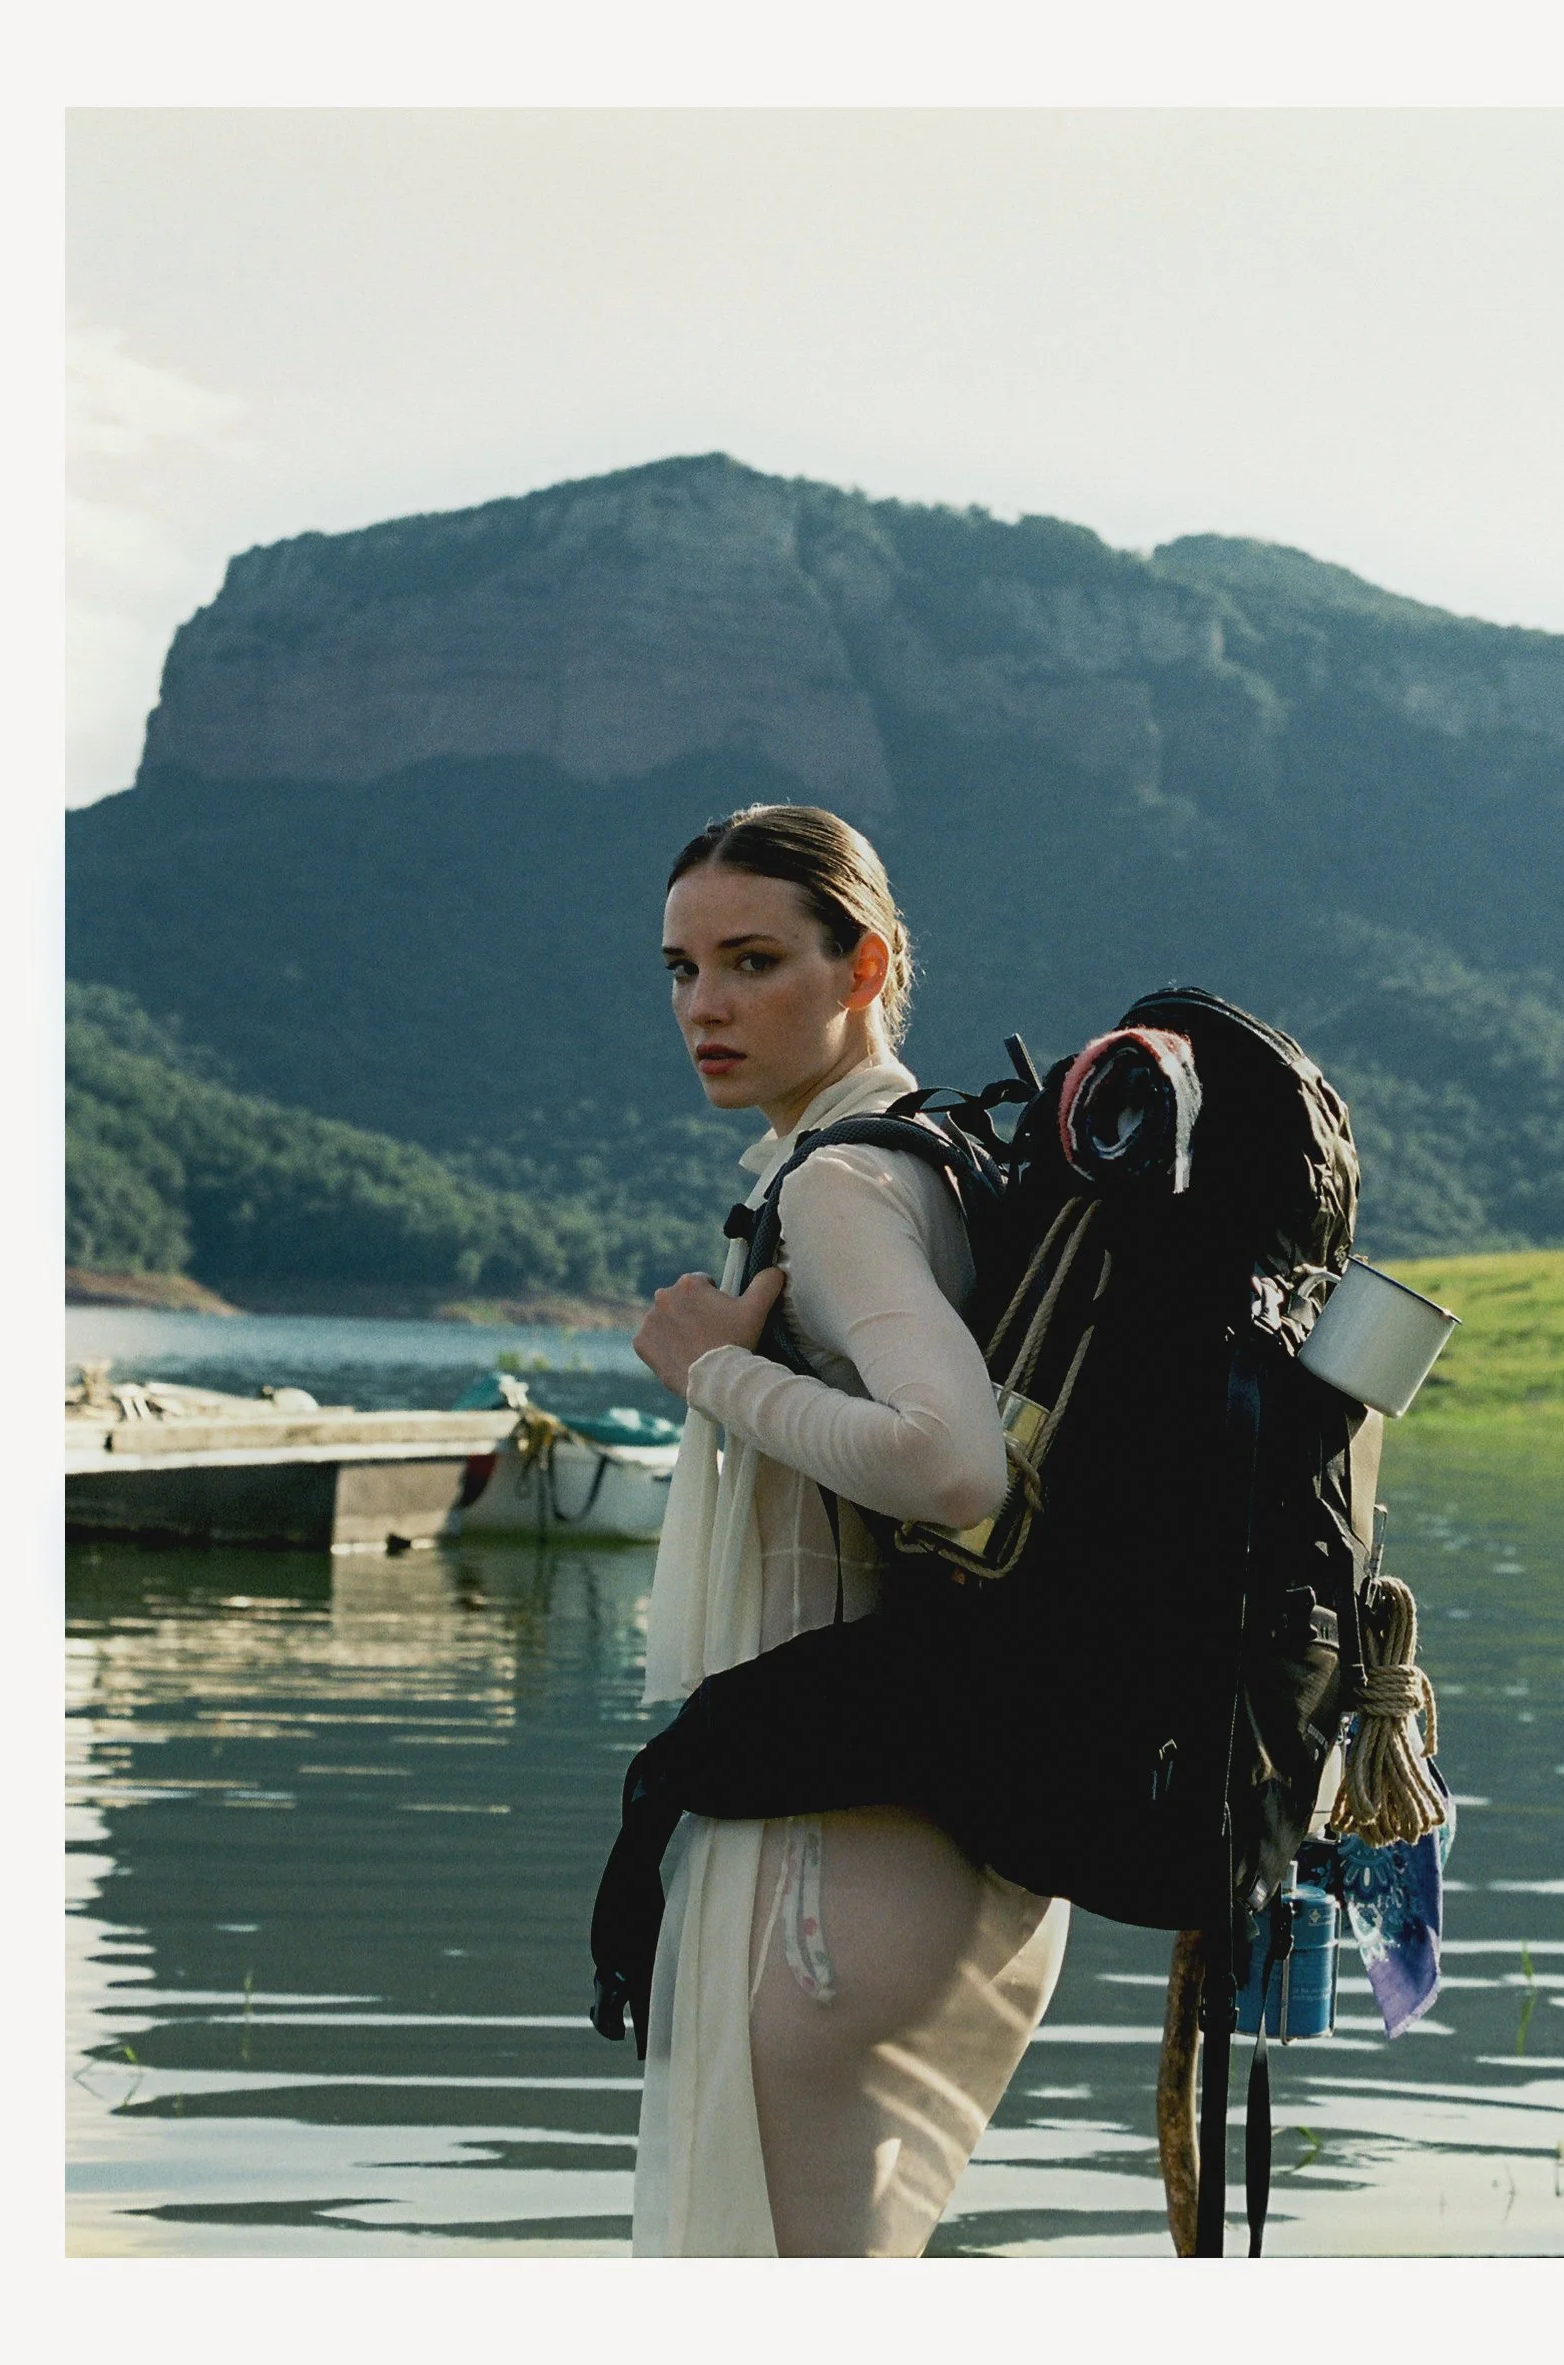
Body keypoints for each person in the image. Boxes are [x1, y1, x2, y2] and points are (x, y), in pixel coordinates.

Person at [625, 803, 1070, 2257]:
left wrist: (714, 1372)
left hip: (835, 1851)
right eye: (684, 969)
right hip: (955, 1837)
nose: (708, 1005)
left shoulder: (842, 1183)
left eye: (753, 961)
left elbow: (955, 1471)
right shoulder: (947, 1164)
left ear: (863, 963)